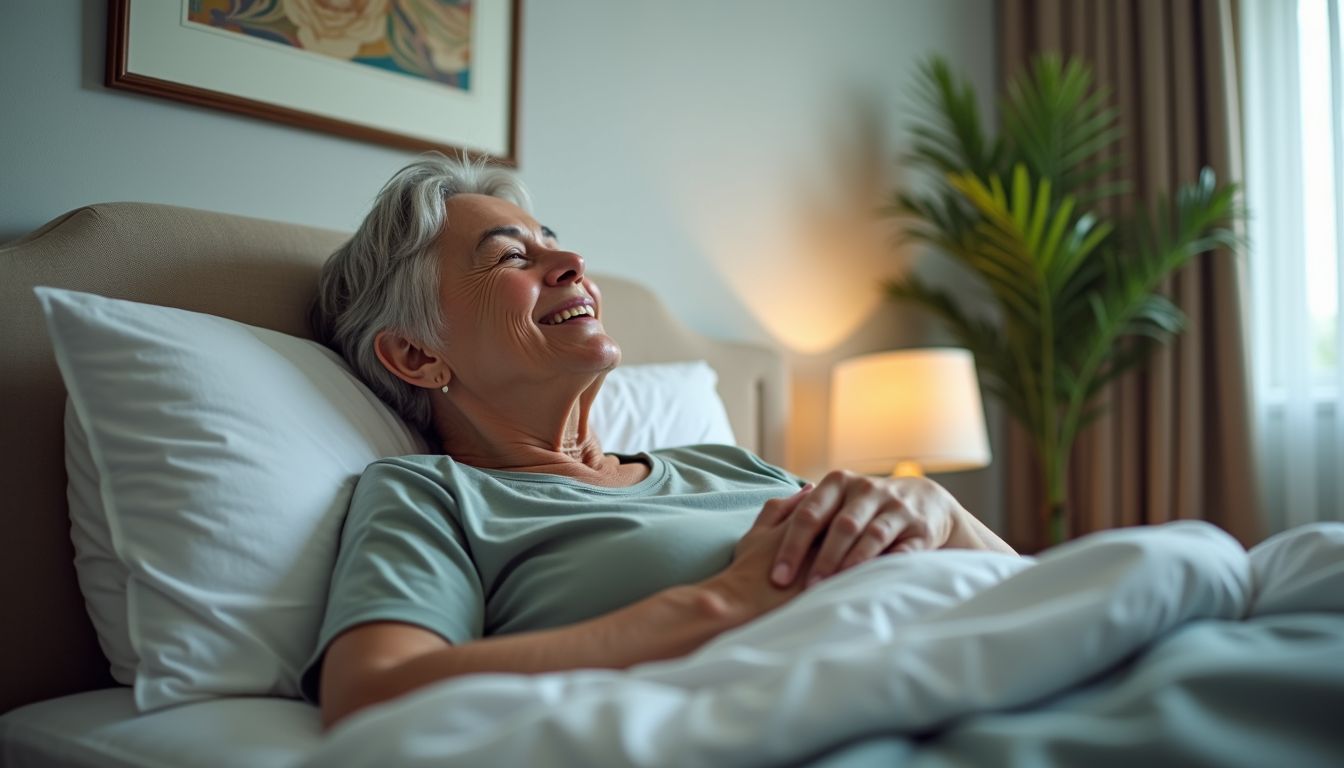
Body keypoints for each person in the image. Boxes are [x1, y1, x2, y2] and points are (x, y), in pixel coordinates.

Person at [303, 154, 1016, 729]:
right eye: (511, 258)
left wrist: (940, 511)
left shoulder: (725, 462)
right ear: (416, 356)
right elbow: (372, 693)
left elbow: (1026, 590)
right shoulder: (433, 498)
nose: (573, 261)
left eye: (553, 240)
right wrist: (729, 601)